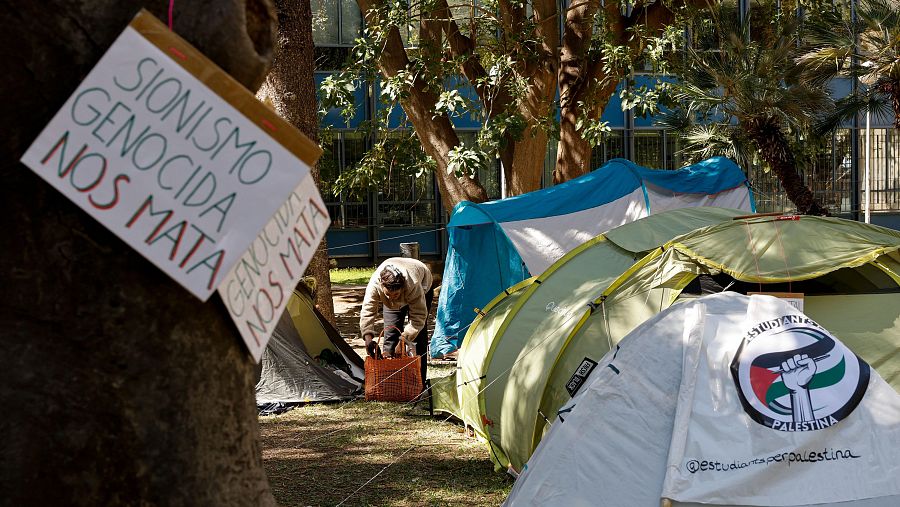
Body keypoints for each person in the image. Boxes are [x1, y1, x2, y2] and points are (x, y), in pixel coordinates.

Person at [359, 257, 434, 384]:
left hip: (423, 284)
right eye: (388, 295)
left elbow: (419, 317)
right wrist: (367, 338)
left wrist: (405, 339)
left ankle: (419, 382)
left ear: (402, 288)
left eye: (396, 295)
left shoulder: (413, 284)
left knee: (418, 337)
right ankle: (391, 381)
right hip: (397, 286)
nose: (392, 298)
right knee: (390, 335)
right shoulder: (375, 284)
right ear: (382, 286)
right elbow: (368, 310)